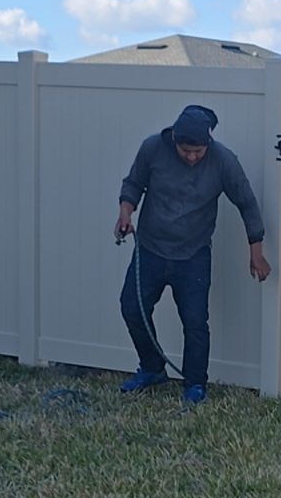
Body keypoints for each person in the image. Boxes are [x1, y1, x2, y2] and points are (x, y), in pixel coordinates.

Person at [114, 103, 270, 404]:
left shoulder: (224, 161)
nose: (192, 156)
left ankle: (195, 384)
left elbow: (247, 203)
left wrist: (257, 252)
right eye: (186, 150)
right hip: (150, 249)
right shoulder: (152, 149)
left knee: (195, 322)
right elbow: (133, 184)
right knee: (131, 308)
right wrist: (125, 213)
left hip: (193, 255)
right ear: (174, 139)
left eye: (198, 151)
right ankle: (152, 367)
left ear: (209, 142)